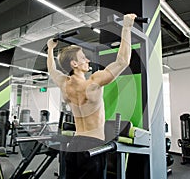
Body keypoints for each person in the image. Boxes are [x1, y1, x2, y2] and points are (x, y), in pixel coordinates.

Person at [47, 13, 137, 179]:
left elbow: (52, 70)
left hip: (74, 145)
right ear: (74, 64)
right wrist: (126, 28)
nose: (87, 60)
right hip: (92, 146)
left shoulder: (64, 84)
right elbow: (123, 61)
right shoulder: (93, 83)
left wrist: (51, 48)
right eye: (83, 58)